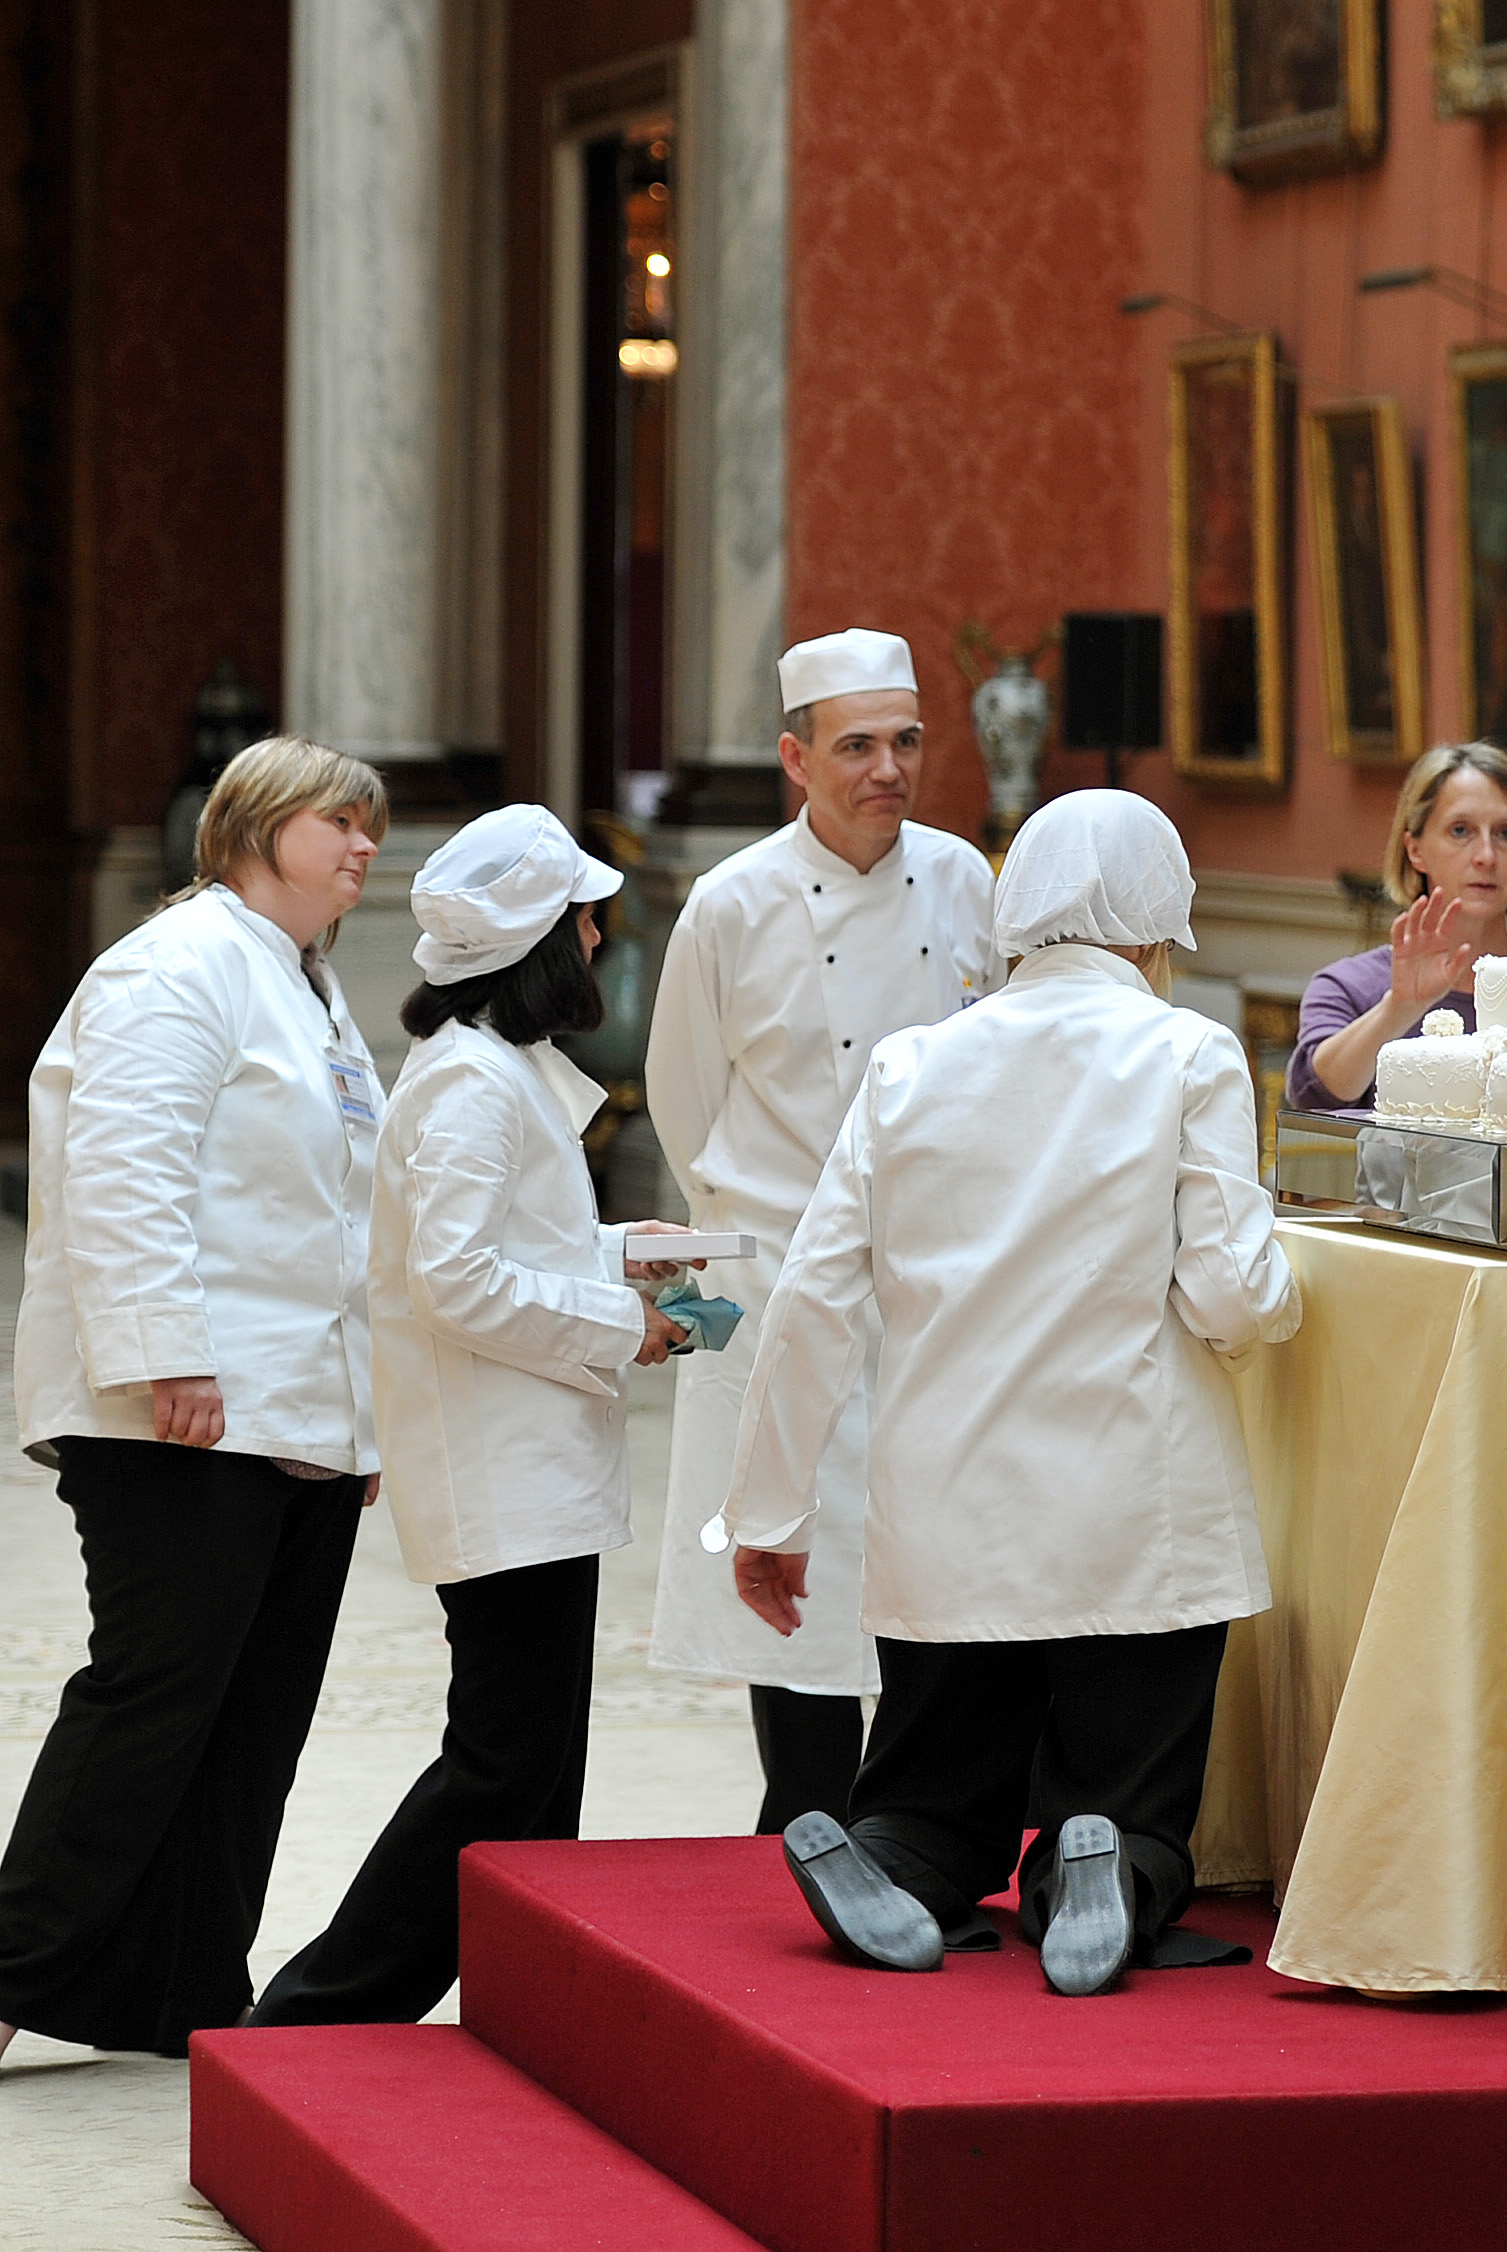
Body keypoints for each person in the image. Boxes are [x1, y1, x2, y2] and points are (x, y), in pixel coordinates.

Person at [726, 789, 1301, 1996]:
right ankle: (1101, 1863)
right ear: (1157, 928)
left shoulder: (908, 1064)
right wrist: (1288, 1290)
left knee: (930, 1793)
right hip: (1130, 1508)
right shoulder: (1187, 1050)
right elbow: (1231, 1297)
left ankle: (888, 1857)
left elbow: (812, 1302)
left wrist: (771, 1515)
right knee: (1133, 1790)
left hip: (947, 1515)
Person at [247, 807, 708, 2026]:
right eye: (584, 915)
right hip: (502, 1468)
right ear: (537, 941)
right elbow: (455, 1281)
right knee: (502, 1759)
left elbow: (516, 1248)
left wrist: (624, 1250)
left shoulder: (487, 1073)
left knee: (540, 1762)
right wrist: (626, 1322)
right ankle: (320, 2006)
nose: (604, 932)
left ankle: (513, 1996)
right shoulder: (469, 1085)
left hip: (529, 1464)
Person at [0, 738, 389, 2061]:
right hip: (181, 1410)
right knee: (154, 1700)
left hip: (292, 1414)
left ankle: (177, 1994)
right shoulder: (176, 966)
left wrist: (359, 1412)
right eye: (341, 821)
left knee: (253, 1713)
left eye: (370, 827)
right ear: (255, 826)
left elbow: (340, 1223)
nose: (364, 846)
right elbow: (127, 1167)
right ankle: (11, 1971)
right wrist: (168, 1353)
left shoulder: (312, 991)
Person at [642, 628, 1000, 1833]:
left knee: (913, 1560)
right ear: (797, 758)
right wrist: (752, 1245)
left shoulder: (967, 881)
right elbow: (685, 1105)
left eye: (905, 742)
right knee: (782, 1566)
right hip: (777, 1271)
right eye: (857, 746)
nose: (887, 768)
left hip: (923, 1279)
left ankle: (913, 1827)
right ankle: (798, 1819)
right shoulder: (728, 905)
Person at [1288, 742, 1507, 1112]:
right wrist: (1400, 1009)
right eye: (1460, 830)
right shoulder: (1349, 986)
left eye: (1505, 834)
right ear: (1415, 849)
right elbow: (1314, 1096)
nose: (1486, 856)